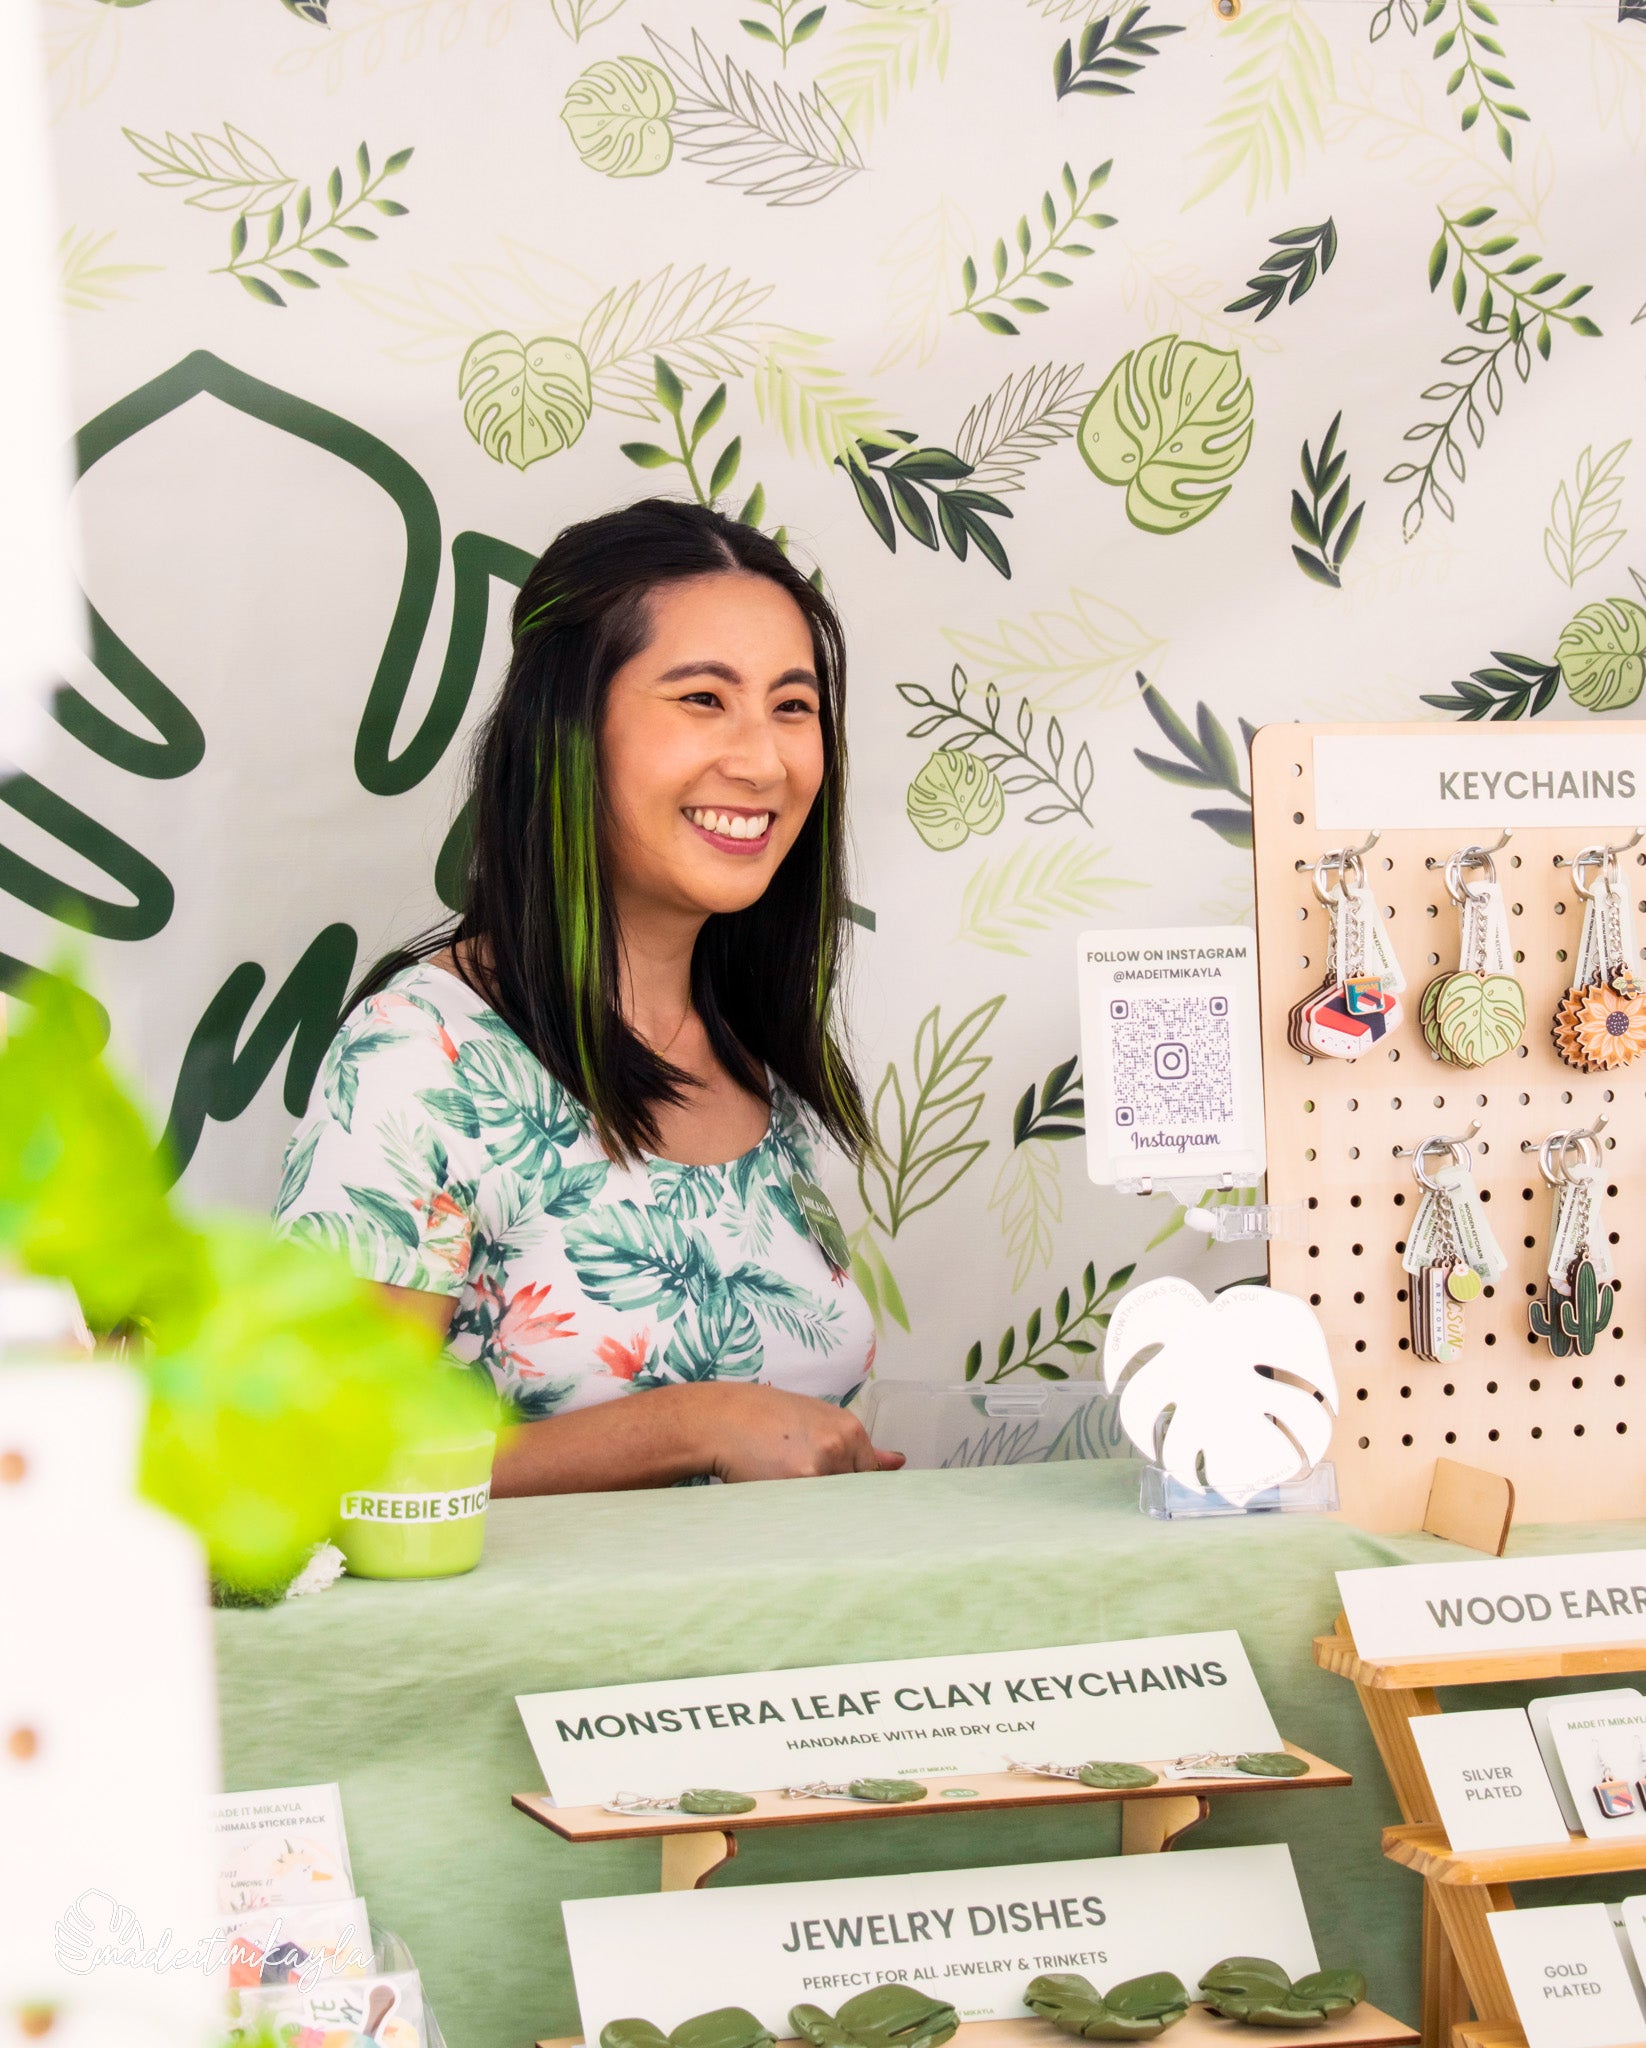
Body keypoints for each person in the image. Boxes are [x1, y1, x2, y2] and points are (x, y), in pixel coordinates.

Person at [274, 498, 902, 1493]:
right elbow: (314, 1463)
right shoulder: (419, 1059)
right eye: (702, 698)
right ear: (568, 728)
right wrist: (690, 1423)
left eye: (793, 706)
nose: (764, 759)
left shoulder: (748, 1053)